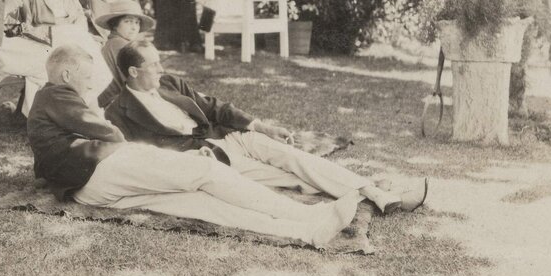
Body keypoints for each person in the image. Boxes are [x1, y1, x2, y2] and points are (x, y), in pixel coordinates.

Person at [26, 45, 361, 249]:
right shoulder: (56, 95)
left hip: (87, 186)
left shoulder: (51, 100)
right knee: (206, 170)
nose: (91, 82)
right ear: (67, 73)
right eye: (86, 75)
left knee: (201, 203)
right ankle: (308, 214)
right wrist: (104, 131)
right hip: (100, 169)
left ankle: (303, 231)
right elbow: (112, 134)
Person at [105, 43, 429, 214]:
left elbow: (214, 107)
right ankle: (372, 197)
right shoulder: (118, 111)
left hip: (230, 137)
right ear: (133, 72)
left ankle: (379, 194)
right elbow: (141, 156)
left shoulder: (170, 83)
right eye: (155, 64)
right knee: (294, 180)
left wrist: (260, 125)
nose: (163, 68)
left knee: (296, 159)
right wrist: (191, 159)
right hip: (208, 158)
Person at [17, 0, 112, 98]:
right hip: (46, 36)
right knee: (70, 63)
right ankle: (62, 105)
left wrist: (79, 31)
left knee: (91, 58)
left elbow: (78, 13)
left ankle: (87, 103)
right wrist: (56, 29)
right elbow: (27, 23)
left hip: (73, 32)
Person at [94, 0, 155, 108]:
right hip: (116, 103)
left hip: (119, 100)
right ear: (115, 25)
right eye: (128, 21)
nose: (134, 27)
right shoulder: (119, 44)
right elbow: (138, 82)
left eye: (137, 22)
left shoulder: (113, 42)